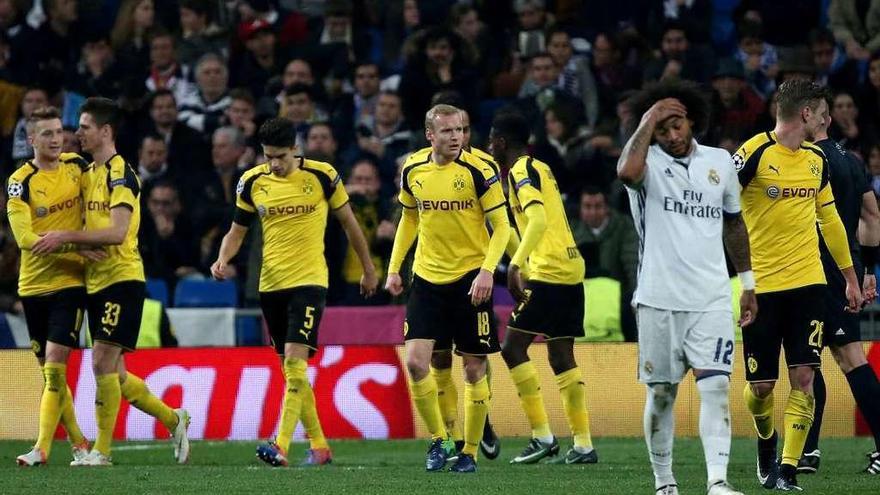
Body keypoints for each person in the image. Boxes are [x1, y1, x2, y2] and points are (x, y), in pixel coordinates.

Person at [31, 97, 191, 466]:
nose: (78, 133)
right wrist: (76, 246)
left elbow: (118, 232)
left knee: (101, 363)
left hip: (122, 278)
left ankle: (101, 451)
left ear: (105, 131)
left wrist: (65, 237)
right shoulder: (87, 175)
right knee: (115, 375)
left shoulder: (123, 174)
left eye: (84, 127)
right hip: (94, 281)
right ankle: (173, 418)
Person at [211, 117, 378, 467]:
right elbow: (236, 231)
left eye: (282, 156)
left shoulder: (322, 176)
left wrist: (368, 268)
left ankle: (280, 443)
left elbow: (350, 224)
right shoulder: (251, 182)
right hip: (270, 286)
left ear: (296, 149)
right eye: (269, 156)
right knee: (292, 372)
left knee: (294, 363)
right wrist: (222, 259)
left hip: (310, 281)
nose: (275, 164)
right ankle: (319, 447)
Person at [617, 80, 756, 495]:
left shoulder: (719, 163)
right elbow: (625, 171)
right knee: (661, 393)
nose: (672, 136)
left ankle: (717, 481)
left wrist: (748, 283)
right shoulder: (645, 164)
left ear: (692, 120)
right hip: (658, 298)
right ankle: (665, 483)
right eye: (663, 129)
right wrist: (648, 119)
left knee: (715, 386)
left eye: (677, 125)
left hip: (711, 296)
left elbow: (734, 222)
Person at [734, 79, 862, 491]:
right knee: (761, 388)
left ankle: (787, 471)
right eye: (820, 112)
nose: (824, 119)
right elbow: (724, 215)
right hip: (763, 288)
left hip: (809, 284)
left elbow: (831, 223)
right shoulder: (752, 154)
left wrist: (849, 278)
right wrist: (740, 279)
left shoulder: (816, 160)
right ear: (805, 113)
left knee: (804, 376)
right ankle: (766, 441)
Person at [385, 104, 510, 473]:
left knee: (473, 369)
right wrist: (394, 269)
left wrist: (488, 272)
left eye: (460, 130)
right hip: (426, 278)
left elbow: (501, 226)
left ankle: (469, 451)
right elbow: (409, 218)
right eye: (447, 132)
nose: (456, 137)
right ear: (430, 135)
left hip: (471, 280)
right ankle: (439, 439)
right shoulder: (413, 168)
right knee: (416, 361)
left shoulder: (480, 169)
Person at [488, 110, 598, 465]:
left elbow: (535, 220)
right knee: (560, 354)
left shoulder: (521, 170)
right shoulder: (542, 168)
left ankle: (542, 436)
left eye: (492, 140)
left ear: (501, 142)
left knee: (512, 348)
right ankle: (583, 444)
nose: (489, 146)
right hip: (569, 267)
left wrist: (516, 263)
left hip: (548, 270)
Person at [798, 95, 880, 476]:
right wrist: (867, 272)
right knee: (838, 359)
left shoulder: (803, 160)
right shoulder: (853, 160)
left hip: (811, 270)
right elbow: (872, 216)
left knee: (815, 361)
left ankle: (806, 450)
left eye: (805, 112)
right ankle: (808, 451)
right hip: (848, 269)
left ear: (820, 118)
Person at [8, 107, 90, 466]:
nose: (56, 139)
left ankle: (41, 448)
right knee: (49, 372)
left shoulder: (78, 167)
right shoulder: (20, 181)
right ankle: (80, 442)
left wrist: (81, 246)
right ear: (31, 140)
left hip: (71, 281)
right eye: (47, 134)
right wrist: (73, 242)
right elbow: (25, 238)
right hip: (32, 286)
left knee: (55, 367)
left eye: (59, 132)